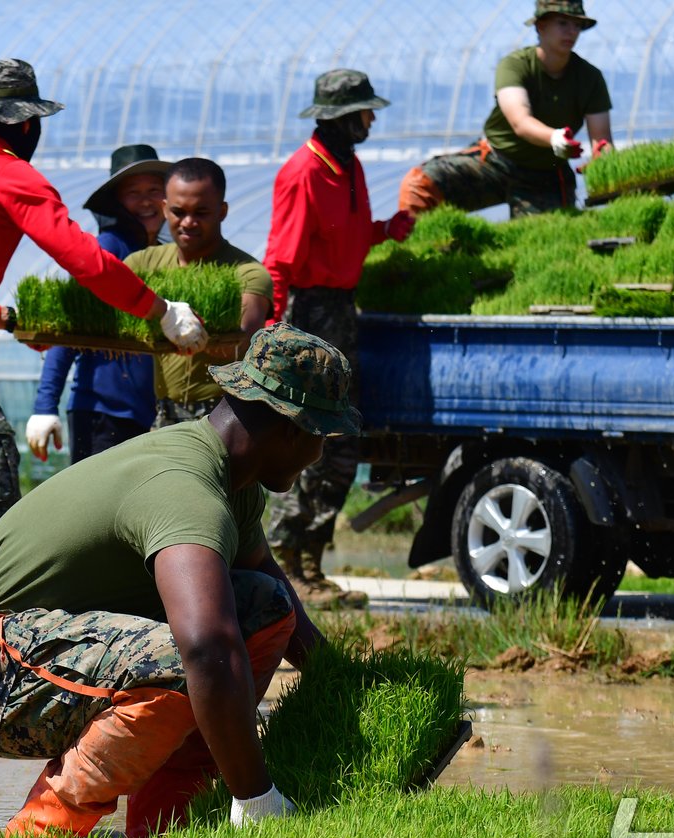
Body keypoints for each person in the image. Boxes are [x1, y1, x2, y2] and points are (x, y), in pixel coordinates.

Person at [0, 323, 358, 838]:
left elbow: (272, 593)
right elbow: (206, 648)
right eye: (322, 439)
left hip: (34, 643)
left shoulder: (232, 482)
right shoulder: (187, 490)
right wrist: (257, 797)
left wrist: (344, 680)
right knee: (189, 660)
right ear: (294, 429)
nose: (318, 457)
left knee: (265, 607)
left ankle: (162, 833)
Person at [0, 59, 207, 721]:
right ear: (26, 124)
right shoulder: (9, 173)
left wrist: (3, 318)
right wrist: (159, 309)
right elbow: (82, 259)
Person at [262, 68, 415, 609]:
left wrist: (386, 231)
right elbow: (281, 258)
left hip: (342, 313)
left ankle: (312, 564)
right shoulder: (302, 173)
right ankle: (283, 565)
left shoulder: (350, 167)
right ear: (340, 117)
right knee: (304, 437)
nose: (372, 119)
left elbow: (345, 238)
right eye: (365, 111)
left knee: (341, 442)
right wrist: (273, 329)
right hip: (307, 314)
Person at [398, 0, 612, 216]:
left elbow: (601, 138)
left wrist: (602, 160)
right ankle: (417, 247)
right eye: (563, 23)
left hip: (546, 176)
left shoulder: (590, 78)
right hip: (496, 162)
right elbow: (520, 121)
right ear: (541, 26)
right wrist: (555, 138)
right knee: (421, 184)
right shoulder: (515, 65)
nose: (571, 32)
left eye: (577, 25)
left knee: (545, 239)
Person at [26, 144, 170, 464]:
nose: (145, 201)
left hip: (149, 412)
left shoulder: (168, 252)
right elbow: (71, 327)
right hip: (104, 412)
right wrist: (45, 405)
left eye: (154, 191)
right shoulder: (109, 247)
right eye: (133, 192)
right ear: (117, 201)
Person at [135, 158, 273, 428]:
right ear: (164, 209)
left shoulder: (248, 273)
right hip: (164, 414)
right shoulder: (144, 264)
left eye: (201, 213)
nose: (188, 222)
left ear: (222, 211)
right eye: (178, 211)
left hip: (224, 418)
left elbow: (245, 337)